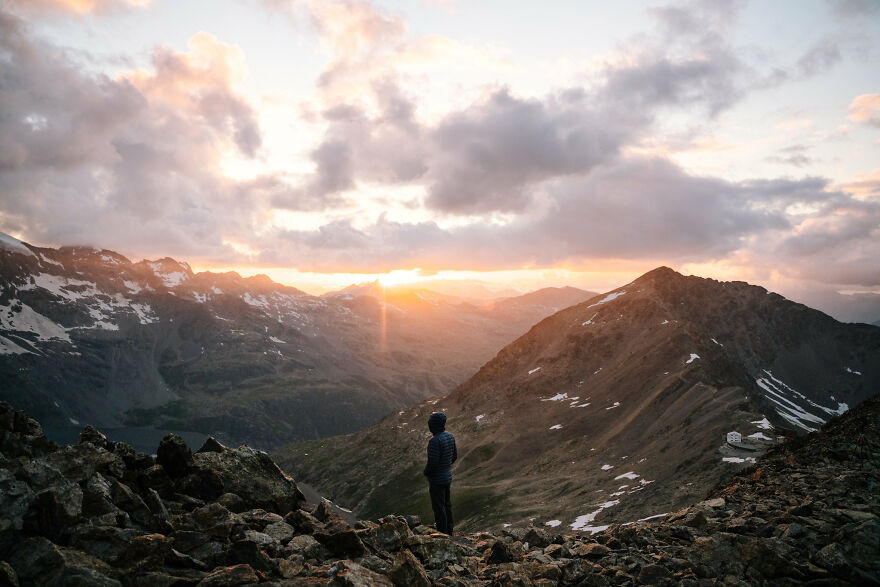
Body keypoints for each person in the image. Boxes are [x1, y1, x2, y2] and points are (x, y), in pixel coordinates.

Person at [423, 411, 457, 535]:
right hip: (447, 477)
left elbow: (433, 463)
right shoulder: (449, 436)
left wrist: (426, 472)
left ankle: (442, 534)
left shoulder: (434, 441)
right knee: (447, 505)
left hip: (437, 480)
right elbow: (454, 456)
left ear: (433, 426)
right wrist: (445, 467)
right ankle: (449, 531)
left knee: (438, 508)